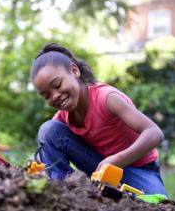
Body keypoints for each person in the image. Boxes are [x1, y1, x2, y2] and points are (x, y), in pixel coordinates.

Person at [30, 42, 167, 195]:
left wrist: (117, 160)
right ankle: (62, 193)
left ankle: (113, 193)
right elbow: (46, 146)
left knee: (159, 203)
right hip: (100, 169)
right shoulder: (62, 117)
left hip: (139, 170)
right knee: (48, 130)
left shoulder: (106, 98)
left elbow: (155, 132)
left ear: (74, 71)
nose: (55, 96)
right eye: (46, 95)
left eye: (57, 84)